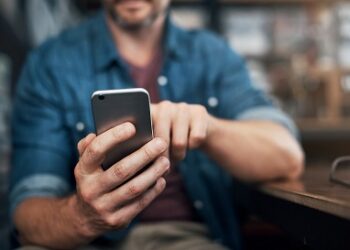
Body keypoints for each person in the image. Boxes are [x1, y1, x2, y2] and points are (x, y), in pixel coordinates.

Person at [10, 0, 304, 249]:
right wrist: (82, 216)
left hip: (187, 239)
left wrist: (208, 128)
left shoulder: (212, 56)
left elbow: (286, 157)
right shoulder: (50, 63)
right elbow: (27, 211)